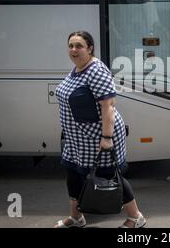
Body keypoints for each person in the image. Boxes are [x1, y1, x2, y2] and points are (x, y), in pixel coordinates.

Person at [54, 31, 146, 228]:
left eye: (79, 46)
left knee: (109, 175)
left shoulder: (96, 70)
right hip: (77, 139)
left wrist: (106, 137)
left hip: (98, 136)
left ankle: (136, 217)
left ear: (90, 48)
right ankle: (76, 218)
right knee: (72, 176)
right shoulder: (77, 69)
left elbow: (108, 105)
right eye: (70, 45)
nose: (73, 50)